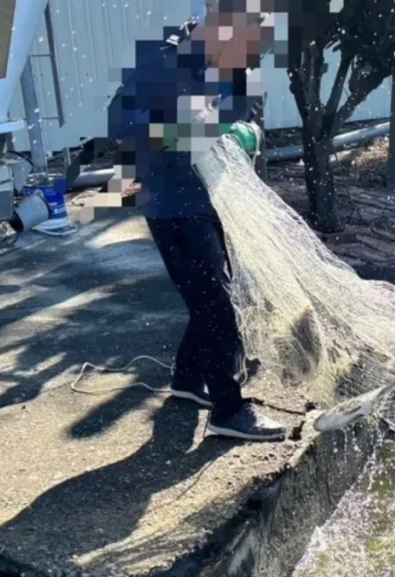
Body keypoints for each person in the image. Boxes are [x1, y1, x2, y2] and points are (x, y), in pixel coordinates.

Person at [105, 4, 286, 441]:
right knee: (219, 306)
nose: (250, 54)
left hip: (217, 196)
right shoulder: (162, 60)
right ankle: (229, 410)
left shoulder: (241, 66)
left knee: (210, 295)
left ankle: (188, 380)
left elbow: (245, 116)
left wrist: (247, 133)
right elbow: (120, 126)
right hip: (173, 202)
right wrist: (174, 132)